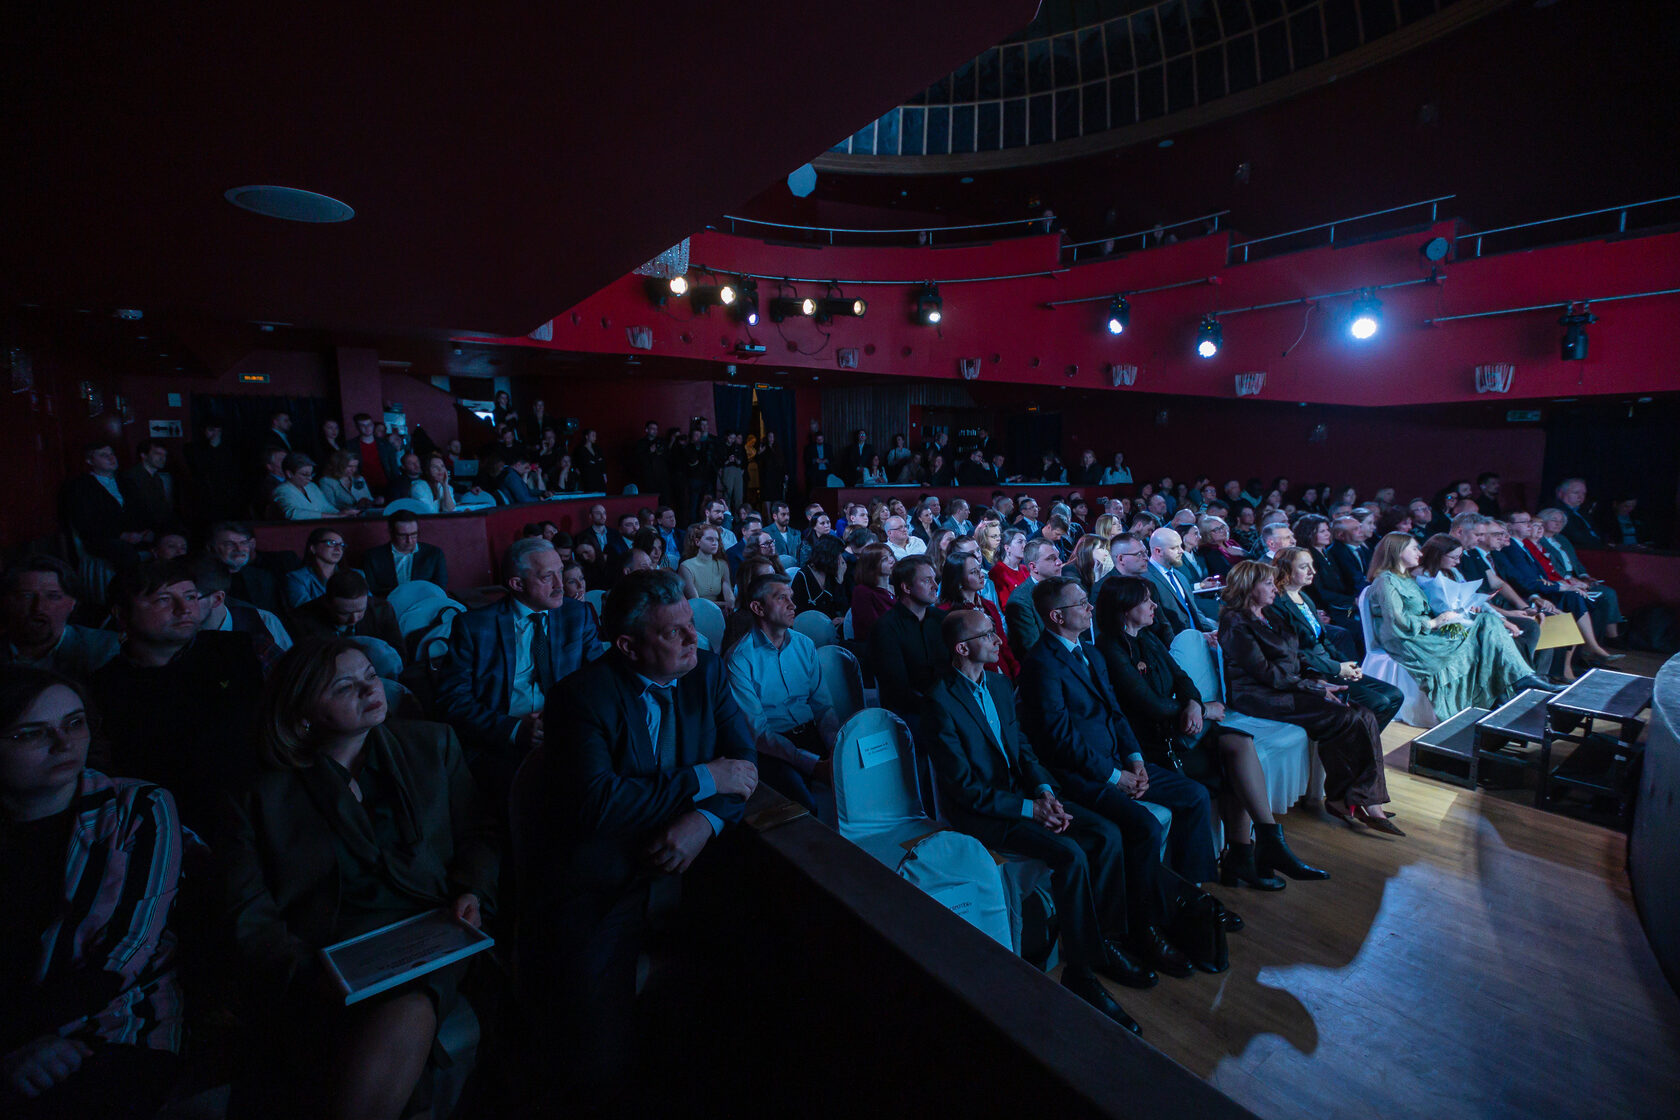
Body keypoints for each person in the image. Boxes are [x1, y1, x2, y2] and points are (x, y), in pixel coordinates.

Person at [217, 638, 498, 1120]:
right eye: (345, 687)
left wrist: (472, 889)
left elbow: (480, 834)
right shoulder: (259, 793)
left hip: (429, 927)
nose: (371, 690)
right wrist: (304, 972)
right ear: (303, 714)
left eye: (370, 675)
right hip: (325, 949)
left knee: (408, 1003)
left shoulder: (432, 744)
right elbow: (248, 908)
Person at [517, 570, 758, 1098]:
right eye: (674, 632)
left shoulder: (706, 671)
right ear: (628, 646)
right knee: (600, 1059)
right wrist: (702, 778)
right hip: (608, 878)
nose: (694, 638)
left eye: (691, 623)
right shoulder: (580, 697)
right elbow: (600, 803)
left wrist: (705, 821)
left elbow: (742, 764)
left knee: (754, 999)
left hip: (699, 863)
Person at [920, 609, 1148, 1034]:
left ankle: (1106, 941)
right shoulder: (938, 701)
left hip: (1026, 797)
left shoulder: (999, 683)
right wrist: (1030, 809)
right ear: (962, 648)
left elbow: (1023, 749)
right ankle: (1081, 973)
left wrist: (1044, 791)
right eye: (987, 635)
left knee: (1107, 833)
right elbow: (965, 790)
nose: (998, 640)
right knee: (1070, 854)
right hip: (985, 813)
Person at [0, 669, 184, 1119]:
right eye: (32, 733)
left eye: (74, 723)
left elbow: (125, 952)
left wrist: (27, 1041)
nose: (64, 744)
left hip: (111, 1021)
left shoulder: (136, 809)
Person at [1096, 576, 1325, 891]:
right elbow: (1148, 704)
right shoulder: (1110, 648)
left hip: (1181, 726)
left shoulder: (1147, 637)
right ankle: (1247, 855)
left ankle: (1260, 844)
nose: (1154, 606)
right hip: (1154, 743)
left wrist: (1194, 703)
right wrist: (1200, 710)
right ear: (1125, 609)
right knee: (1231, 766)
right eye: (1145, 600)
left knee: (1240, 744)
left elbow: (1182, 678)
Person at [1017, 577, 1225, 919]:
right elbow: (1060, 739)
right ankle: (1147, 918)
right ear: (1057, 616)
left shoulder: (1091, 653)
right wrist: (1115, 776)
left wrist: (1135, 760)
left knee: (1194, 795)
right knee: (1145, 826)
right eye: (1081, 604)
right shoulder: (1041, 664)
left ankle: (1190, 895)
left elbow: (1116, 713)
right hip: (1083, 775)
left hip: (1119, 762)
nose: (1090, 607)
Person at [1218, 561, 1401, 836]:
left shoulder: (1270, 614)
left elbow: (1296, 656)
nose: (1274, 588)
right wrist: (1314, 688)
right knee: (1346, 717)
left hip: (1289, 687)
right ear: (1248, 587)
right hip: (1259, 695)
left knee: (1364, 714)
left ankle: (1367, 800)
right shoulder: (1235, 622)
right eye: (1267, 583)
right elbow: (1267, 673)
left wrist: (1317, 679)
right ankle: (1346, 799)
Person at [91, 559, 265, 833]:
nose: (185, 609)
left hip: (258, 808)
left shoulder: (243, 650)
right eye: (163, 600)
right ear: (122, 615)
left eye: (191, 597)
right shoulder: (102, 688)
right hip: (164, 824)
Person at [434, 538, 600, 805]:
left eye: (560, 572)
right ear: (517, 584)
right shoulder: (474, 626)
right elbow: (452, 701)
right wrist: (515, 730)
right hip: (500, 741)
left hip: (568, 731)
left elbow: (598, 680)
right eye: (547, 577)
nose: (560, 585)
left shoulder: (577, 615)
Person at [1367, 533, 1552, 720]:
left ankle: (1511, 686)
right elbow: (1397, 621)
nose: (1420, 553)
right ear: (1398, 551)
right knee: (1484, 633)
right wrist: (1435, 622)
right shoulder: (1386, 581)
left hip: (1423, 634)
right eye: (1414, 549)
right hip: (1409, 641)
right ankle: (1508, 689)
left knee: (1487, 622)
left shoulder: (1406, 579)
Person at [725, 574, 837, 813]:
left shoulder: (804, 644)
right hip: (772, 748)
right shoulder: (740, 659)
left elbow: (823, 707)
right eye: (781, 598)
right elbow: (758, 733)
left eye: (791, 598)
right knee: (805, 808)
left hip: (812, 733)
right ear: (758, 608)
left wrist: (835, 746)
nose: (792, 605)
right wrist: (813, 765)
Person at [1267, 548, 1402, 728]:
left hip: (1328, 664)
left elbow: (1324, 640)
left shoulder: (1304, 597)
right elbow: (1296, 652)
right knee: (1380, 703)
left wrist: (1347, 664)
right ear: (1286, 570)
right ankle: (1357, 740)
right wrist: (1337, 668)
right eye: (1304, 567)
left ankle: (1363, 739)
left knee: (1395, 695)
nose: (1312, 571)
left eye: (1312, 566)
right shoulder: (1276, 603)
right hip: (1311, 670)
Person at [1, 555, 119, 682]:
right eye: (26, 596)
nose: (38, 608)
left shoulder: (104, 649)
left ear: (72, 603)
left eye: (53, 596)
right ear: (6, 601)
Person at [868, 555, 945, 721]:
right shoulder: (886, 628)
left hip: (945, 705)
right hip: (911, 713)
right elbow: (897, 689)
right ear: (907, 588)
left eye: (935, 579)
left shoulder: (941, 619)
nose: (935, 586)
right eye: (927, 581)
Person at [61, 440, 151, 568]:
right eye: (104, 455)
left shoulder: (126, 482)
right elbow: (85, 522)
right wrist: (122, 535)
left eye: (112, 454)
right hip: (102, 538)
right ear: (90, 461)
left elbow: (141, 509)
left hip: (135, 534)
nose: (111, 458)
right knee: (124, 552)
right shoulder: (80, 486)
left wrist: (146, 531)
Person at [289, 569, 405, 658]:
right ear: (327, 603)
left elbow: (400, 653)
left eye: (360, 610)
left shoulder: (382, 609)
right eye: (344, 613)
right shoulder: (302, 618)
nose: (354, 619)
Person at [937, 554, 1017, 679]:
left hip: (1001, 672)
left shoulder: (988, 606)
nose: (981, 575)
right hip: (973, 677)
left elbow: (1003, 645)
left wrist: (1016, 671)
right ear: (958, 579)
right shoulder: (945, 612)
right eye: (974, 572)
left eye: (980, 569)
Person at [1143, 527, 1217, 643]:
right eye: (1174, 548)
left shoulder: (1180, 576)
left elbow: (1194, 611)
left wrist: (1213, 632)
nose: (1181, 551)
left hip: (1198, 638)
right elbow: (1161, 625)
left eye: (1180, 546)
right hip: (1177, 644)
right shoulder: (1146, 579)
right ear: (1158, 551)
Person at [1005, 539, 1065, 665]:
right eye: (1051, 559)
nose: (1059, 562)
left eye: (1058, 557)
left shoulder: (1065, 587)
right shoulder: (1020, 601)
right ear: (1033, 567)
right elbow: (1033, 649)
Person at [362, 512, 448, 597]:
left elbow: (440, 588)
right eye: (402, 536)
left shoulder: (434, 554)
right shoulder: (373, 557)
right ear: (391, 533)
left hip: (425, 602)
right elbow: (372, 590)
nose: (409, 541)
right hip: (388, 603)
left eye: (413, 534)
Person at [119, 438, 180, 538]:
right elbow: (136, 510)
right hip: (142, 532)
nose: (162, 458)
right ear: (143, 455)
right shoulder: (131, 478)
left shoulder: (157, 478)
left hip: (157, 529)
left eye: (164, 455)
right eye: (158, 453)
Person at [284, 526, 356, 609]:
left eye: (341, 545)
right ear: (313, 548)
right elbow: (304, 611)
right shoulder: (297, 578)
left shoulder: (356, 575)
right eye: (331, 543)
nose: (338, 549)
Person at [678, 524, 734, 613]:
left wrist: (730, 603)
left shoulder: (722, 564)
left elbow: (729, 596)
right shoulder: (686, 566)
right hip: (696, 611)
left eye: (717, 539)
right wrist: (724, 604)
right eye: (709, 539)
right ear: (697, 542)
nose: (714, 542)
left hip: (718, 611)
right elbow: (696, 601)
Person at [849, 542, 896, 645]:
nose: (891, 560)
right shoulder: (862, 592)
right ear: (872, 566)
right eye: (884, 559)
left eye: (891, 555)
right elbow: (874, 627)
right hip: (878, 645)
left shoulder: (895, 587)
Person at [792, 534, 847, 621]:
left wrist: (840, 580)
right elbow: (798, 610)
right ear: (829, 556)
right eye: (838, 556)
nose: (841, 560)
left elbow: (840, 607)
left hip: (832, 622)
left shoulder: (831, 574)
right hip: (810, 623)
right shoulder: (803, 576)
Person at [270, 453, 339, 520]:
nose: (310, 478)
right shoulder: (282, 490)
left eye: (311, 474)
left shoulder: (311, 486)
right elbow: (293, 514)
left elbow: (327, 507)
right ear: (289, 474)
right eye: (305, 474)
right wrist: (331, 516)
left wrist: (340, 514)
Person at [350, 413, 398, 493]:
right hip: (363, 488)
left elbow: (393, 467)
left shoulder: (385, 444)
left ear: (373, 425)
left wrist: (396, 486)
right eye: (362, 425)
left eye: (369, 424)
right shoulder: (351, 446)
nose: (367, 428)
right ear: (357, 427)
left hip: (386, 486)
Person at [1552, 477, 1603, 551]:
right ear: (1561, 493)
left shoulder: (1583, 512)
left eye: (1584, 494)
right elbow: (1576, 537)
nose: (1581, 497)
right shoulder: (1557, 513)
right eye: (1576, 492)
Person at [988, 528, 1030, 609]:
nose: (1025, 546)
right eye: (1020, 542)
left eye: (1025, 542)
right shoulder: (997, 572)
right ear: (1007, 548)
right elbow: (1006, 606)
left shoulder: (1024, 569)